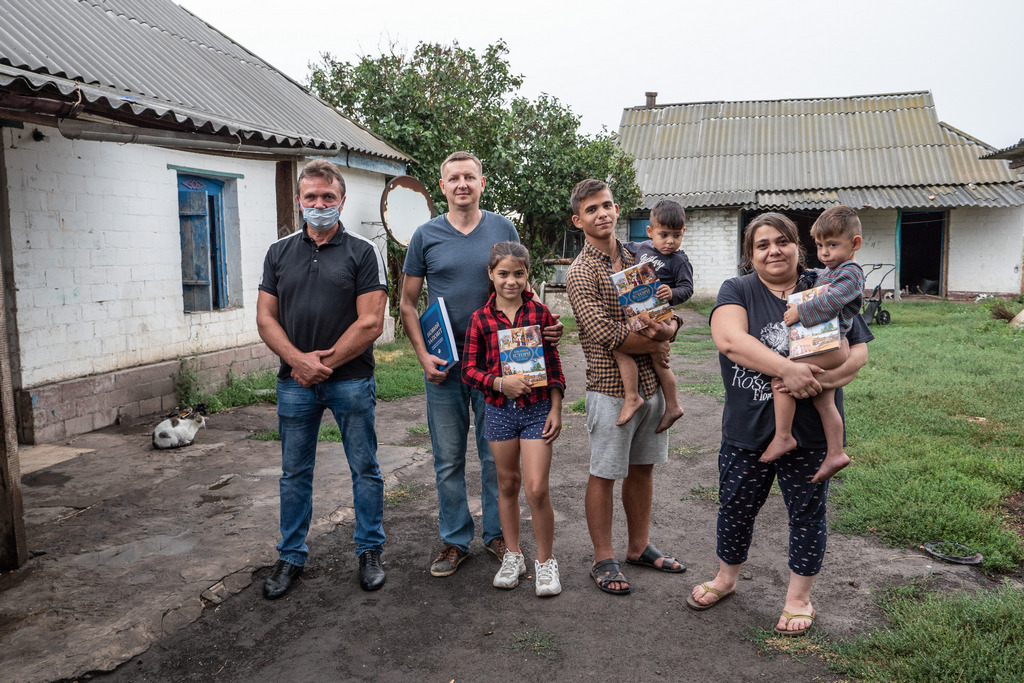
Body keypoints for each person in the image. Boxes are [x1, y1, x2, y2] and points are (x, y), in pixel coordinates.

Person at [686, 212, 872, 637]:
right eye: (762, 244)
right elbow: (731, 341)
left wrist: (819, 379)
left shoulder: (825, 283)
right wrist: (789, 371)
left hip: (809, 434)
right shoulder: (739, 289)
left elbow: (858, 351)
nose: (774, 250)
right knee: (735, 508)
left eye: (782, 241)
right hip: (747, 429)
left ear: (796, 246)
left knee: (807, 515)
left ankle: (798, 598)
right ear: (751, 255)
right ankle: (726, 579)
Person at [400, 151, 563, 578]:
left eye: (469, 177)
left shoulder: (501, 227)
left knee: (496, 459)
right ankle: (455, 541)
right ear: (443, 186)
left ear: (482, 182)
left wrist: (547, 326)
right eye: (453, 178)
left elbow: (519, 281)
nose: (462, 185)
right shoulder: (425, 235)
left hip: (503, 370)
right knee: (448, 458)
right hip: (447, 367)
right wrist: (423, 355)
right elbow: (407, 303)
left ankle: (498, 537)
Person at [257, 160, 389, 599]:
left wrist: (321, 363)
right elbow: (265, 318)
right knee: (294, 473)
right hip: (294, 384)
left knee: (364, 469)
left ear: (342, 201)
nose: (319, 204)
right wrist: (297, 361)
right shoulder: (279, 253)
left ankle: (369, 550)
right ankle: (290, 556)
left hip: (350, 382)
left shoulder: (362, 252)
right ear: (299, 201)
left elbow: (371, 322)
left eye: (327, 197)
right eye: (311, 197)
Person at [565, 179, 686, 596]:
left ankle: (638, 547)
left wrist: (667, 328)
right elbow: (603, 333)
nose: (603, 213)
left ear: (617, 209)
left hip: (650, 387)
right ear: (578, 220)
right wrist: (660, 338)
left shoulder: (641, 256)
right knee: (604, 472)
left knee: (642, 469)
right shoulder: (580, 272)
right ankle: (604, 557)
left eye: (608, 205)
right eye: (592, 209)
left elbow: (665, 314)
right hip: (610, 389)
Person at [462, 242, 566, 596]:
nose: (511, 281)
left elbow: (553, 367)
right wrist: (498, 382)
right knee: (506, 484)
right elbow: (468, 370)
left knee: (536, 488)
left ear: (527, 275)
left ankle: (546, 562)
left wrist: (556, 407)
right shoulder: (480, 319)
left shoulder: (539, 314)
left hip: (537, 411)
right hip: (499, 412)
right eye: (503, 274)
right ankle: (514, 555)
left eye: (518, 274)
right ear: (491, 275)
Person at [760, 206, 865, 483]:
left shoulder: (851, 273)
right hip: (827, 344)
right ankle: (836, 452)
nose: (824, 253)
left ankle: (783, 437)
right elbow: (819, 279)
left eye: (832, 245)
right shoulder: (832, 271)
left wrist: (799, 313)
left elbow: (831, 300)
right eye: (819, 245)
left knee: (782, 374)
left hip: (831, 346)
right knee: (824, 401)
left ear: (855, 244)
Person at [617, 199, 694, 432]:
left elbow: (687, 289)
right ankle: (633, 396)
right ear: (650, 232)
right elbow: (617, 245)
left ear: (683, 232)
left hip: (662, 313)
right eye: (664, 235)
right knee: (621, 347)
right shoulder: (641, 248)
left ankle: (672, 405)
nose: (670, 241)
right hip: (638, 312)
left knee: (660, 362)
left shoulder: (680, 260)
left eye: (676, 235)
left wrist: (672, 293)